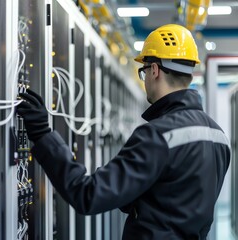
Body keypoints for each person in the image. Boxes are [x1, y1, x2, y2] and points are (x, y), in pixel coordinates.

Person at [16, 24, 231, 239]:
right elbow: (176, 197)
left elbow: (87, 195)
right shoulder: (218, 136)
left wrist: (42, 133)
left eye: (144, 71)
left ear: (154, 69)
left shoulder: (158, 135)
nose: (145, 79)